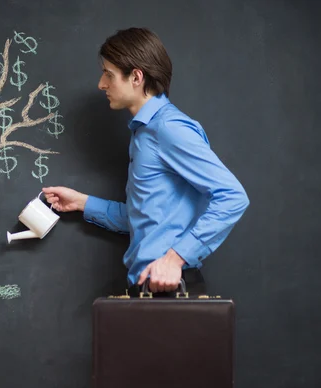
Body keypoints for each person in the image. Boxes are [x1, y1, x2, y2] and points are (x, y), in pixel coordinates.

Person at [42, 27, 249, 296]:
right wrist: (81, 203)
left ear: (136, 77)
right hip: (147, 288)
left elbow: (233, 196)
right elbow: (145, 217)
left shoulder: (168, 129)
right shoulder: (144, 133)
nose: (101, 84)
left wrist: (176, 258)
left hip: (171, 288)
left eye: (108, 74)